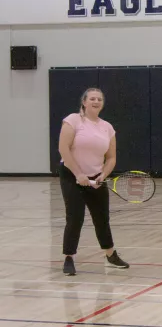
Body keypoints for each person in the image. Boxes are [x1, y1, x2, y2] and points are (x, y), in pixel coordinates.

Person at [58, 87, 129, 276]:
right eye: (92, 99)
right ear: (84, 102)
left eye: (99, 99)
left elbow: (111, 158)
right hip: (71, 175)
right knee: (75, 218)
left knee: (102, 219)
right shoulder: (73, 120)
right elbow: (63, 148)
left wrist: (102, 176)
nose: (96, 101)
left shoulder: (107, 127)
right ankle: (69, 257)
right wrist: (78, 174)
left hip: (96, 177)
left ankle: (110, 255)